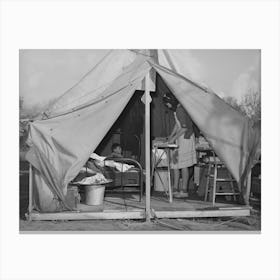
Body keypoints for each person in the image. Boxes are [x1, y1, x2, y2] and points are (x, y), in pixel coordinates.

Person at [164, 94, 197, 198]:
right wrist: (171, 136)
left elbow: (184, 128)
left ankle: (184, 190)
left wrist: (173, 138)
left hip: (186, 138)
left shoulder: (181, 110)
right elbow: (177, 125)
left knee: (183, 164)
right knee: (175, 164)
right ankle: (175, 188)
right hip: (180, 138)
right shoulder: (177, 110)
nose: (167, 105)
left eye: (167, 103)